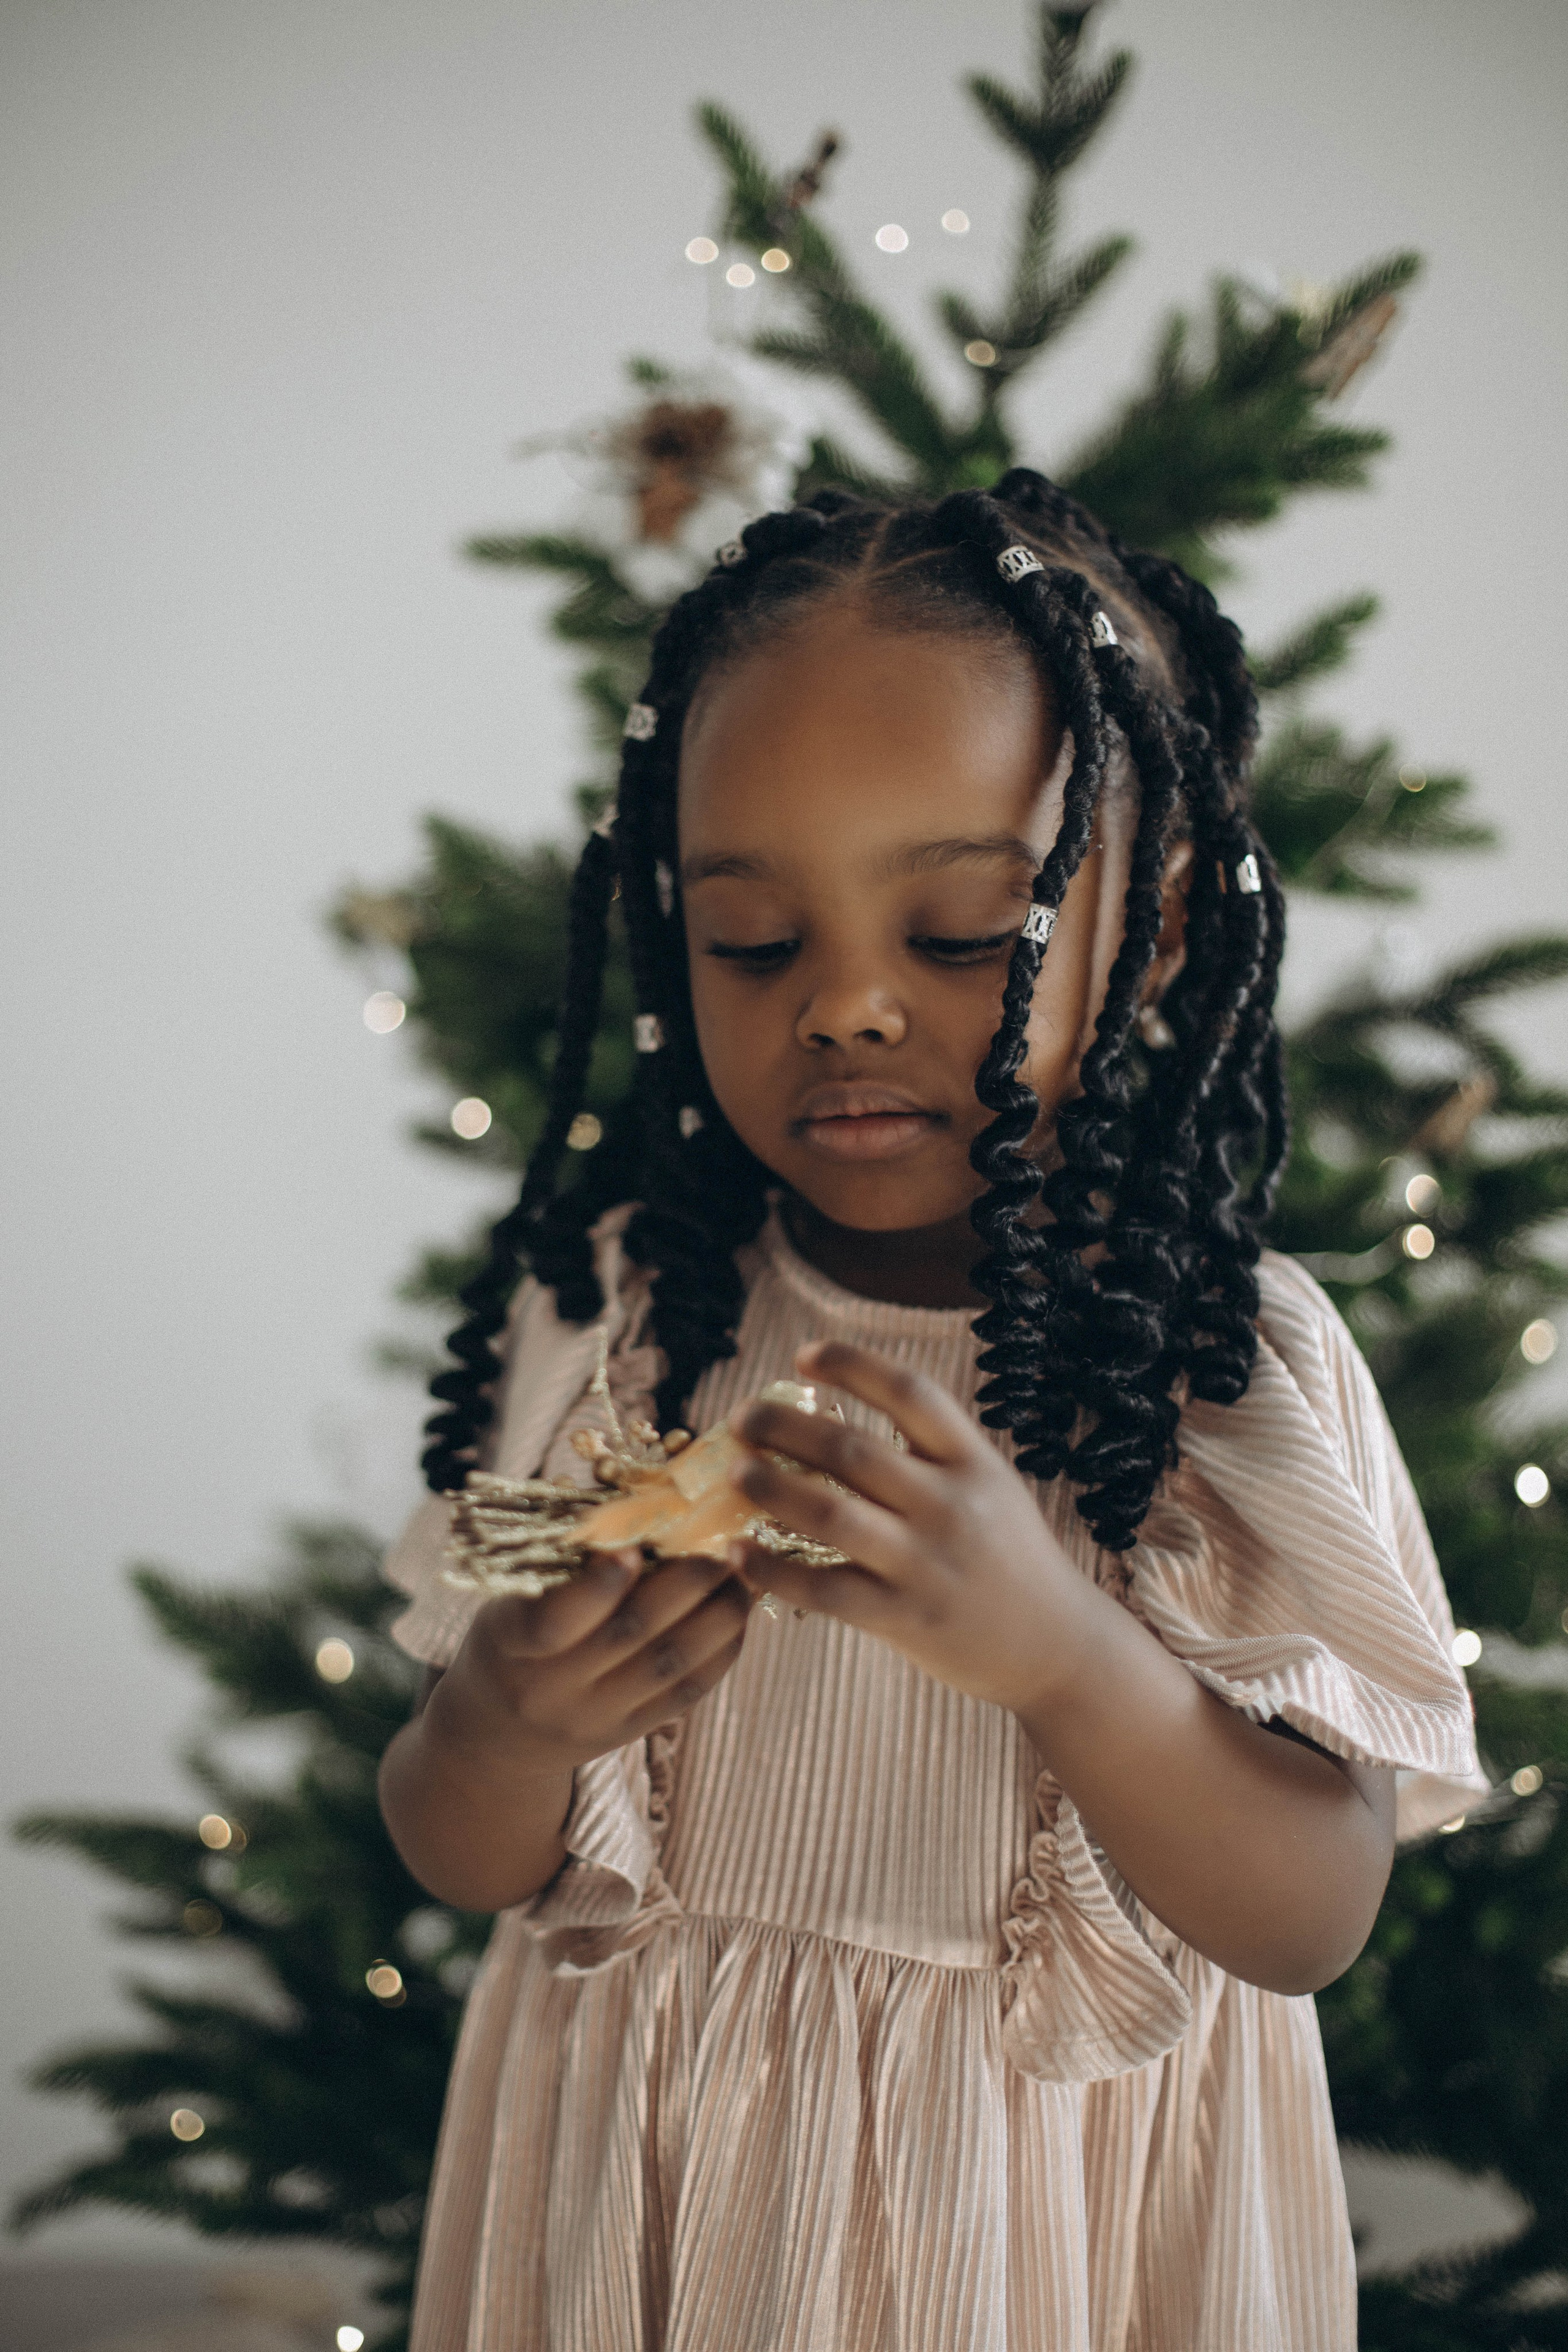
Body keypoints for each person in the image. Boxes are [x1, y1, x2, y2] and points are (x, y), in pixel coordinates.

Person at [377, 472, 1485, 2352]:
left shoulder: (1229, 1373)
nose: (848, 1010)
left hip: (1039, 2226)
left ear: (1138, 939)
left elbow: (1309, 1917)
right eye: (752, 942)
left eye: (967, 933)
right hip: (650, 2188)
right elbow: (458, 1847)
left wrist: (1069, 1655)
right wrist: (502, 1717)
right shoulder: (625, 1323)